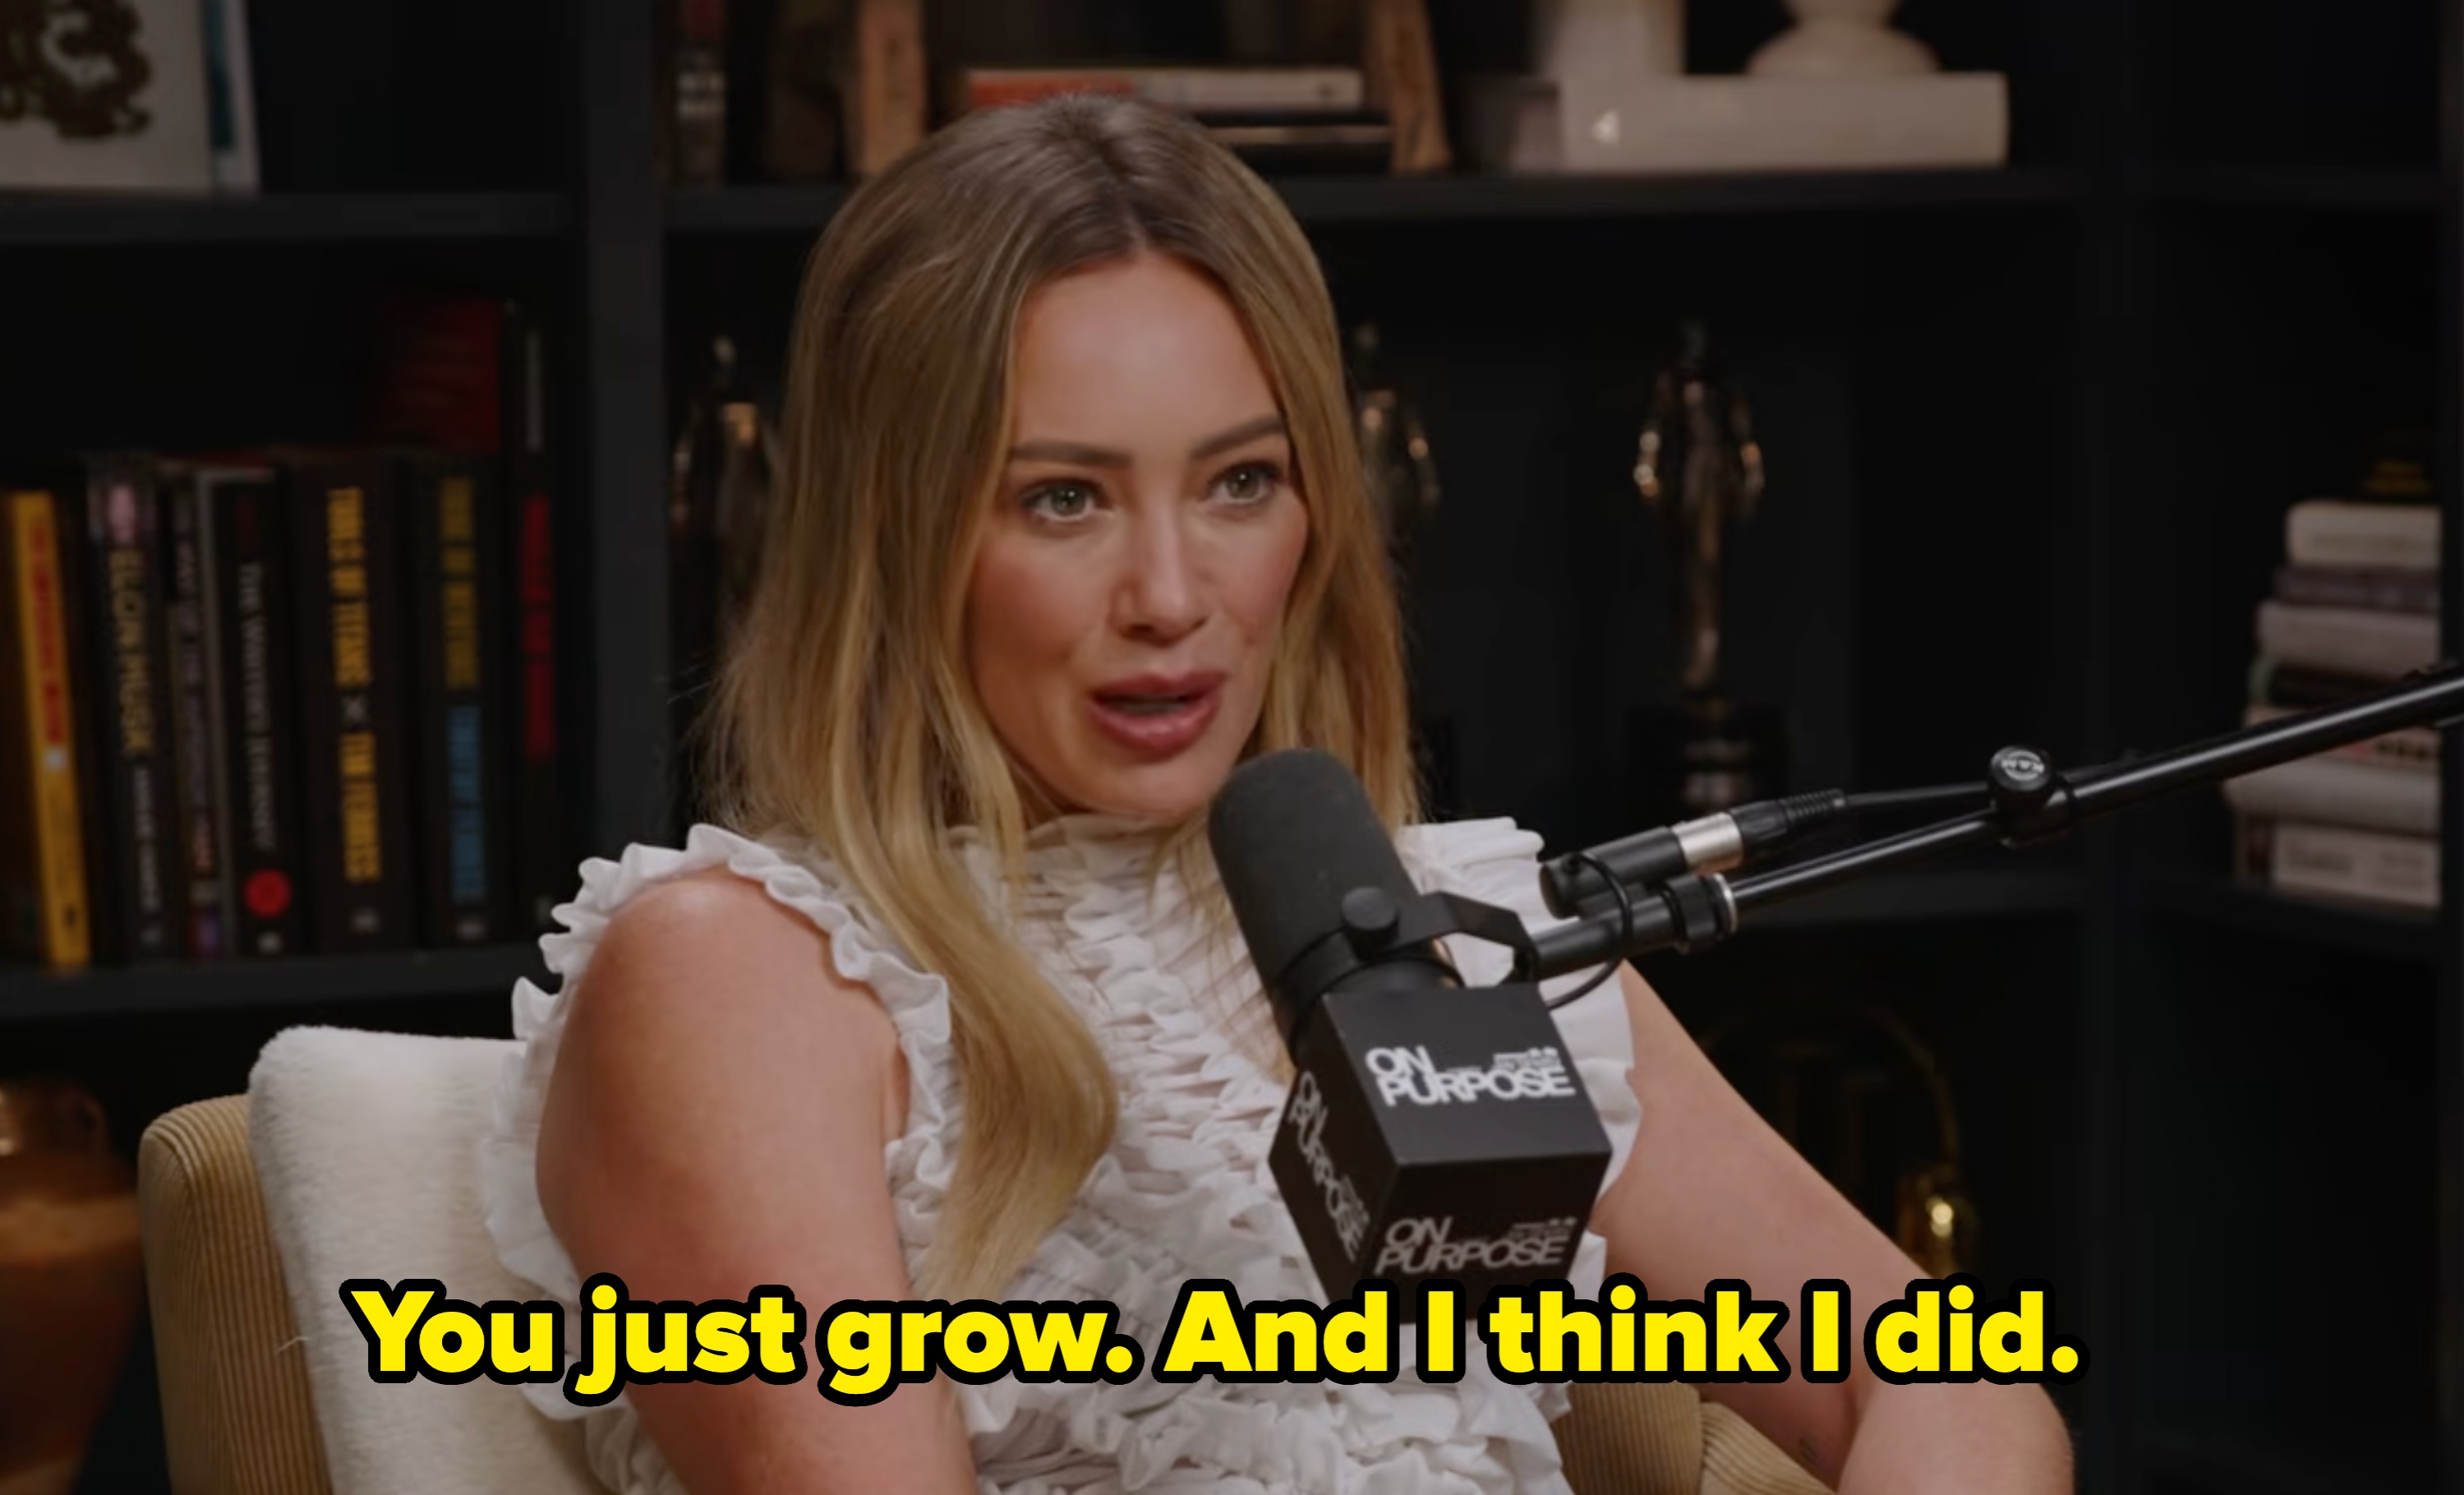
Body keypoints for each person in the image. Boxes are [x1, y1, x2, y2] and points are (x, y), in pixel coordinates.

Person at [478, 95, 2074, 1494]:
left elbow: (1949, 1384)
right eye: (1062, 497)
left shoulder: (1469, 934)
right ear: (894, 540)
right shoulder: (746, 977)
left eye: (1240, 481)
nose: (1173, 594)